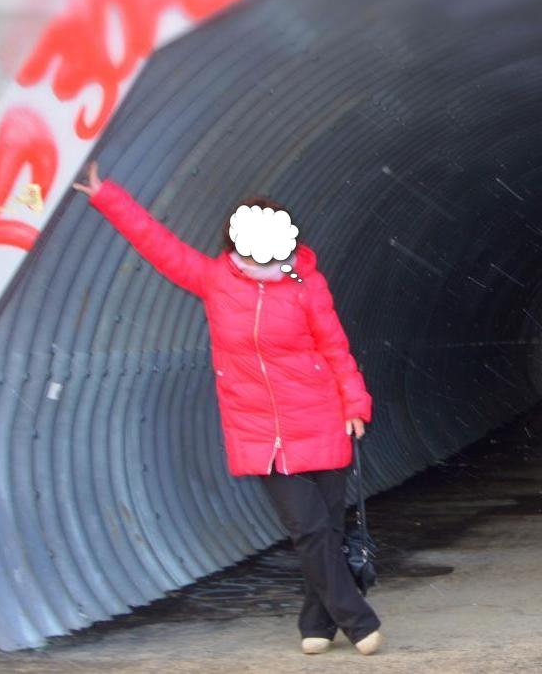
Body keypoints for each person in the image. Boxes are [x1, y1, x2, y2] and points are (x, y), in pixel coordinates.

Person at [73, 160, 383, 656]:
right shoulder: (214, 280)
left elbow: (334, 347)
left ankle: (316, 623)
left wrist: (355, 404)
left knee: (323, 528)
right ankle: (358, 620)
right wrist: (106, 196)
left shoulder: (307, 285)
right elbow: (158, 244)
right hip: (261, 431)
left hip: (321, 417)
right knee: (307, 528)